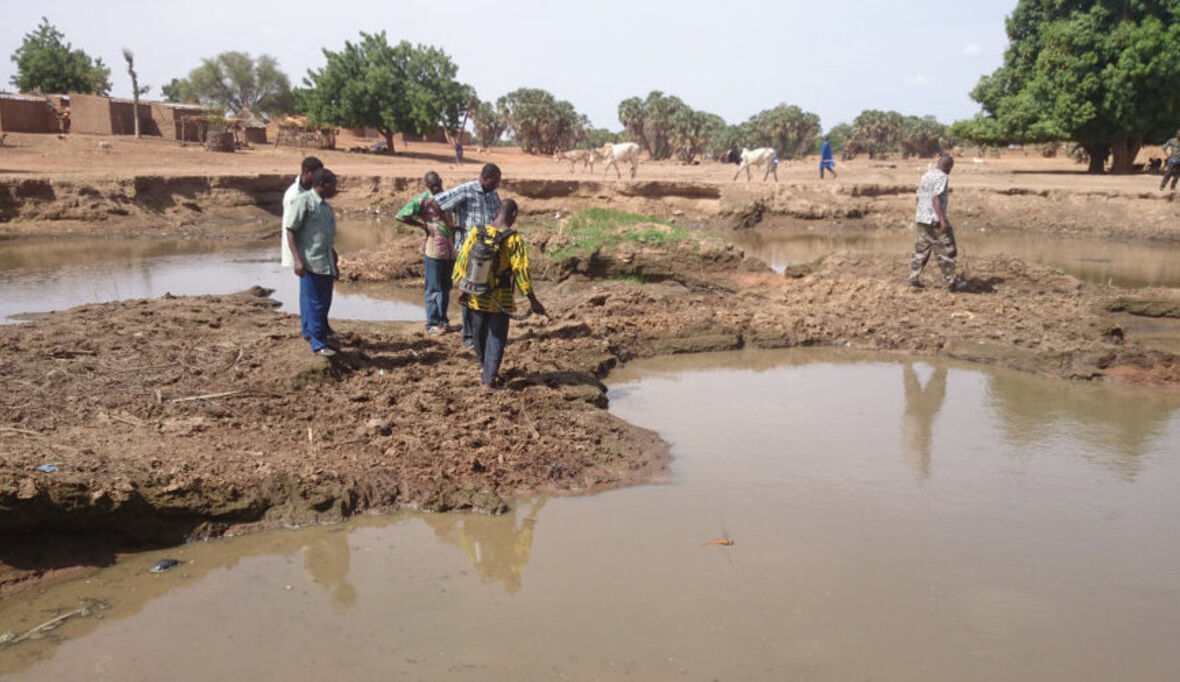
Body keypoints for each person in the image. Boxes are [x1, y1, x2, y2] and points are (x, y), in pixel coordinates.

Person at [452, 199, 545, 389]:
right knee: (496, 338)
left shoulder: (477, 232)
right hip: (501, 298)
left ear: (497, 211)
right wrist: (533, 300)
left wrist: (461, 289)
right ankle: (489, 379)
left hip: (476, 295)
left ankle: (486, 370)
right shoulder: (514, 239)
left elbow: (463, 260)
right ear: (513, 215)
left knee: (478, 336)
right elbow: (521, 271)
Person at [430, 163, 503, 348]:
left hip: (488, 252)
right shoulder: (466, 190)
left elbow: (499, 215)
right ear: (484, 179)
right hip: (469, 251)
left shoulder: (493, 193)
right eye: (495, 181)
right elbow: (436, 202)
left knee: (484, 292)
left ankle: (482, 334)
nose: (497, 185)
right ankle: (469, 337)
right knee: (469, 293)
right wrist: (450, 224)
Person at [286, 168, 340, 356]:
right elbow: (291, 231)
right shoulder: (303, 202)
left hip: (325, 263)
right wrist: (297, 260)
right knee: (315, 303)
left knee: (323, 303)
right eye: (333, 185)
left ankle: (315, 335)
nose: (336, 189)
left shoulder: (325, 207)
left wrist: (333, 256)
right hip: (310, 263)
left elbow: (325, 237)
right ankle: (318, 344)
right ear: (322, 184)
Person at [396, 171, 455, 334]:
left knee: (446, 287)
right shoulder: (422, 200)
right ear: (427, 185)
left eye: (438, 184)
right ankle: (432, 324)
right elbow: (401, 215)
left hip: (450, 249)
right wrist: (422, 226)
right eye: (432, 185)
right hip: (434, 250)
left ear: (441, 181)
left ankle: (443, 321)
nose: (436, 187)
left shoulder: (448, 196)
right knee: (433, 288)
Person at [908, 155, 964, 290]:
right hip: (934, 219)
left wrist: (921, 213)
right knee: (947, 249)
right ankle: (950, 281)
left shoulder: (926, 175)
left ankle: (913, 278)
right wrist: (942, 219)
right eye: (951, 168)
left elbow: (918, 197)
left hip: (922, 218)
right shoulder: (942, 177)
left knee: (921, 249)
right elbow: (936, 198)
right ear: (948, 166)